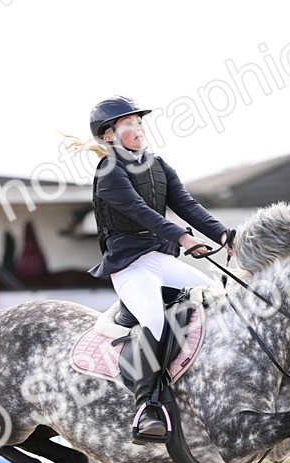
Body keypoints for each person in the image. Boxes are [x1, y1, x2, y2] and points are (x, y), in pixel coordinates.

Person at [80, 95, 233, 444]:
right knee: (155, 321)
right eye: (129, 125)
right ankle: (146, 406)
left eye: (139, 122)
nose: (138, 129)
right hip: (131, 266)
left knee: (218, 298)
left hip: (161, 261)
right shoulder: (109, 173)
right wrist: (182, 238)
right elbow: (140, 212)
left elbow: (186, 205)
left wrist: (223, 234)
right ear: (109, 136)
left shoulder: (159, 166)